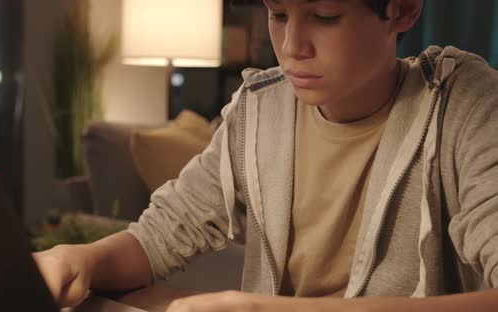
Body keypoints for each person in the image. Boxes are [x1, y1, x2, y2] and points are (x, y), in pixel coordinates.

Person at [33, 0, 498, 310]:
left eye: (325, 16)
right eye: (278, 13)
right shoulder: (259, 107)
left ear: (403, 10)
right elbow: (161, 235)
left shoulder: (462, 104)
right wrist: (83, 258)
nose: (293, 46)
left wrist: (265, 309)